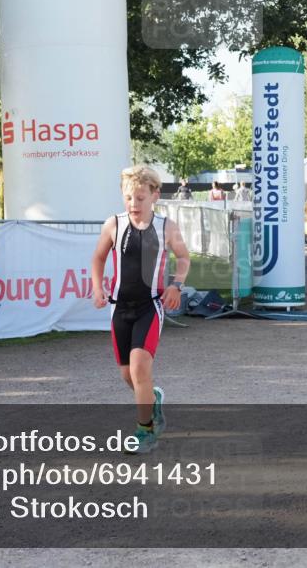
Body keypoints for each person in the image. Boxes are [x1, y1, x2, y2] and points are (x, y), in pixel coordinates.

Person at [91, 165, 190, 455]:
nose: (134, 204)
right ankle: (152, 400)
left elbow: (183, 258)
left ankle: (145, 431)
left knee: (139, 368)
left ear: (155, 196)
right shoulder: (114, 224)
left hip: (150, 306)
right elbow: (97, 258)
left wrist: (176, 286)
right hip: (119, 308)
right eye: (129, 198)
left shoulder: (166, 227)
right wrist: (98, 288)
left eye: (140, 198)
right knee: (127, 375)